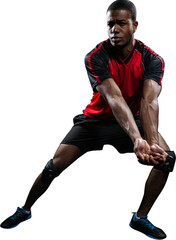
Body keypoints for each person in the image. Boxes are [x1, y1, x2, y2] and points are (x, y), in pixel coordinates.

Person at [1, 0, 175, 239]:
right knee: (54, 166)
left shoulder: (152, 59)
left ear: (134, 25)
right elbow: (114, 98)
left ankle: (140, 218)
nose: (114, 29)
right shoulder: (95, 56)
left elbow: (149, 101)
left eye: (121, 23)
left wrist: (151, 141)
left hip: (132, 119)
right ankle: (25, 209)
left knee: (165, 158)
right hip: (94, 122)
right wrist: (136, 138)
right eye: (110, 24)